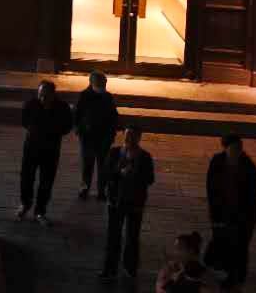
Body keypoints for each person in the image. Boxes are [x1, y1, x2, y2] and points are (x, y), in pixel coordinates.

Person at [99, 126, 156, 282]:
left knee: (132, 236)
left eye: (133, 136)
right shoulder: (115, 152)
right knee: (113, 236)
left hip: (135, 202)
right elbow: (106, 173)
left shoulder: (145, 157)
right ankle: (110, 268)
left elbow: (150, 179)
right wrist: (119, 172)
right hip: (116, 200)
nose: (129, 138)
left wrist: (135, 174)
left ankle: (130, 267)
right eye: (127, 135)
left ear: (139, 138)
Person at [206, 133, 256, 291]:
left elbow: (251, 194)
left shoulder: (248, 165)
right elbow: (211, 189)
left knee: (240, 248)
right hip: (222, 213)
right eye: (234, 148)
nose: (237, 150)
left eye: (239, 147)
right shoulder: (217, 161)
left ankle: (237, 280)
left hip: (243, 216)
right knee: (222, 244)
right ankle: (223, 277)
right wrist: (215, 214)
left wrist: (242, 216)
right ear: (226, 148)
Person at [18, 80, 73, 224]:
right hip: (31, 147)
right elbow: (24, 121)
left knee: (46, 181)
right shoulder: (31, 104)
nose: (42, 98)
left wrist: (52, 131)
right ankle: (25, 204)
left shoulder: (62, 107)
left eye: (46, 96)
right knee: (26, 177)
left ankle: (40, 211)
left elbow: (67, 126)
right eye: (40, 95)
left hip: (51, 149)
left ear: (53, 95)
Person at [76, 70, 120, 201]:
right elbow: (77, 115)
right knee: (87, 165)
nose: (103, 86)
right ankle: (84, 188)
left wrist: (112, 133)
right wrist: (80, 130)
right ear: (92, 83)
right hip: (88, 136)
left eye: (104, 84)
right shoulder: (84, 96)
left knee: (103, 166)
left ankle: (101, 191)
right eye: (100, 84)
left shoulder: (108, 97)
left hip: (104, 137)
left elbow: (113, 116)